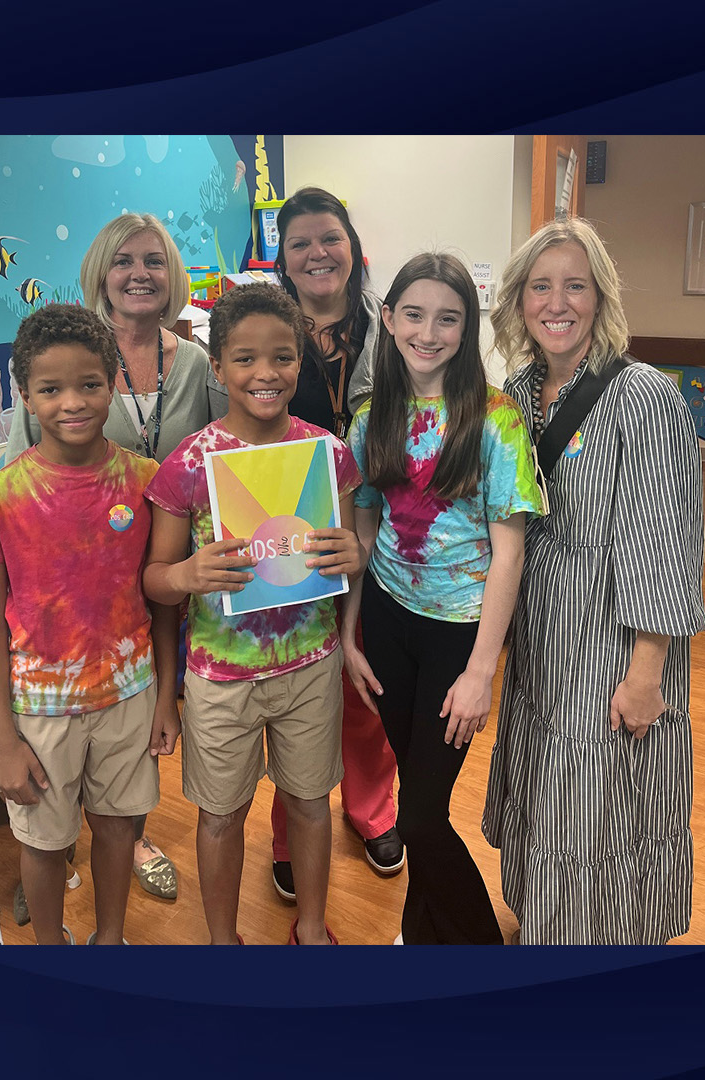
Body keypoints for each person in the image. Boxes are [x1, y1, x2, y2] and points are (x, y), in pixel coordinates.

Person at [481, 218, 705, 945]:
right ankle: (546, 922)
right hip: (541, 627)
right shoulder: (515, 392)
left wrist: (648, 673)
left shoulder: (642, 397)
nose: (557, 302)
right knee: (548, 776)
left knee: (598, 791)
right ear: (518, 301)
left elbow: (662, 541)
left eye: (575, 285)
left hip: (611, 633)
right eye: (540, 286)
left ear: (599, 297)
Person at [142, 283, 363, 944]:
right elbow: (154, 582)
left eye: (282, 357)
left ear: (301, 362)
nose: (265, 373)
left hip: (310, 665)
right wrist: (187, 573)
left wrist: (350, 554)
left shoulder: (328, 454)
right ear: (217, 368)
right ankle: (221, 942)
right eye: (244, 359)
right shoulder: (187, 464)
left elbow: (342, 565)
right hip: (218, 677)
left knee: (310, 801)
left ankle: (314, 929)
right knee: (219, 815)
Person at [4, 212, 213, 901]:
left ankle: (133, 832)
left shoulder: (198, 365)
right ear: (102, 271)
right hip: (69, 589)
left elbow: (220, 461)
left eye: (153, 260)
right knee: (61, 746)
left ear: (171, 273)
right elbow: (14, 475)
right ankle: (52, 849)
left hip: (159, 578)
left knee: (137, 727)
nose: (139, 274)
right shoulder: (68, 359)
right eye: (123, 261)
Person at [0, 304, 181, 944]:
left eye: (89, 384)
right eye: (50, 389)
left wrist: (167, 697)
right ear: (24, 394)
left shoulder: (147, 485)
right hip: (39, 711)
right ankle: (51, 949)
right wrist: (1, 740)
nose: (72, 403)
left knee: (118, 826)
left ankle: (109, 940)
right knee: (46, 841)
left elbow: (163, 604)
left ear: (114, 383)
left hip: (129, 697)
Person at [340, 253, 543, 944]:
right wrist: (347, 637)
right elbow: (363, 527)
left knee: (421, 816)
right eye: (415, 314)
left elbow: (510, 551)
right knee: (417, 799)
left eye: (448, 318)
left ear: (468, 327)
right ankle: (423, 935)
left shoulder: (496, 419)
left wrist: (482, 671)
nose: (429, 332)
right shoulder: (370, 417)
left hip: (460, 631)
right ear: (389, 319)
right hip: (387, 622)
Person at [266, 186, 403, 898]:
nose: (318, 253)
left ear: (353, 248)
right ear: (282, 261)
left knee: (367, 684)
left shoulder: (393, 329)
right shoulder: (265, 335)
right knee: (294, 690)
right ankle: (291, 826)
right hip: (289, 545)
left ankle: (372, 809)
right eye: (300, 244)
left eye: (330, 238)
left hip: (383, 542)